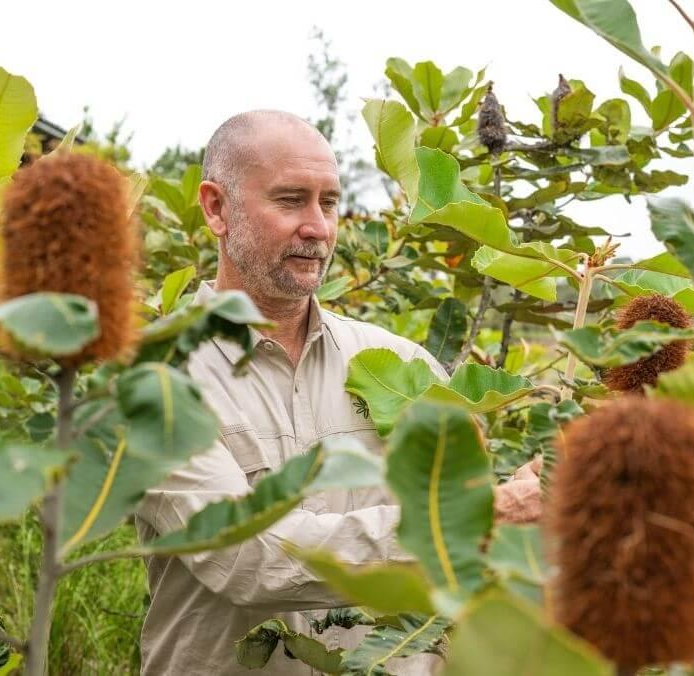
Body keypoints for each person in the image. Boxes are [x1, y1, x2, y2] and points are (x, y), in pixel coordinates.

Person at [134, 110, 542, 675]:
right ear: (216, 208)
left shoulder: (399, 365)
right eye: (289, 200)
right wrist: (472, 524)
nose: (318, 227)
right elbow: (246, 558)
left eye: (328, 203)